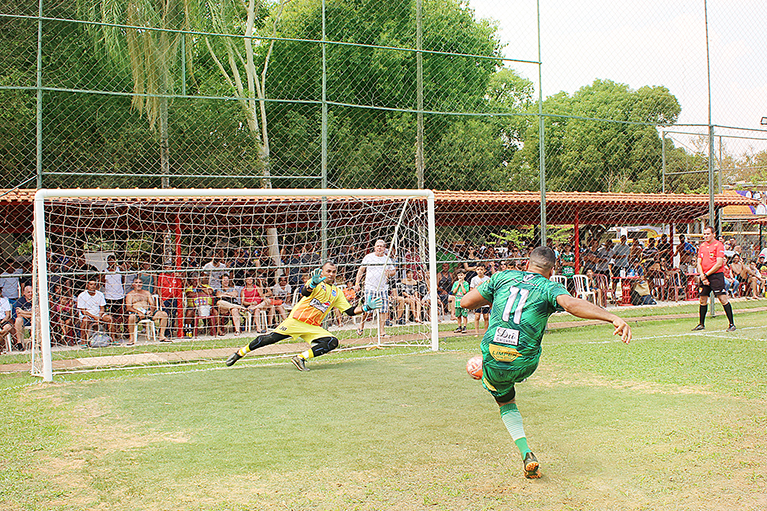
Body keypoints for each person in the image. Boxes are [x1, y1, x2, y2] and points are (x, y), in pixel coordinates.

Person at [460, 246, 631, 479]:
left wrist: (493, 295)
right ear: (553, 270)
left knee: (505, 400)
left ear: (526, 264)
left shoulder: (502, 277)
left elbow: (465, 302)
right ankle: (527, 455)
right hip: (525, 362)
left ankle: (525, 449)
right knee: (516, 360)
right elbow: (571, 305)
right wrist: (612, 317)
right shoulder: (549, 286)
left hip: (493, 357)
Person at [226, 261, 383, 371]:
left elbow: (349, 311)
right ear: (322, 272)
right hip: (296, 321)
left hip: (313, 327)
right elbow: (304, 292)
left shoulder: (337, 292)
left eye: (334, 272)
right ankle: (239, 353)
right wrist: (313, 284)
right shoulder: (315, 283)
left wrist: (366, 307)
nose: (331, 274)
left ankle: (300, 358)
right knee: (269, 339)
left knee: (332, 341)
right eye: (328, 271)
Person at [693, 225, 735, 331]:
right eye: (704, 234)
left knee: (722, 298)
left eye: (708, 234)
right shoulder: (702, 246)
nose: (706, 236)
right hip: (704, 276)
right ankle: (701, 324)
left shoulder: (718, 245)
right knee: (703, 299)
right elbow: (699, 262)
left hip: (716, 276)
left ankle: (731, 324)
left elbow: (719, 263)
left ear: (713, 234)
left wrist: (706, 275)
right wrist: (702, 275)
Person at [354, 239, 396, 337]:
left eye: (381, 246)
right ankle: (361, 325)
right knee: (367, 309)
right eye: (377, 246)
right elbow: (361, 270)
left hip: (383, 288)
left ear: (384, 248)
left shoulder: (387, 259)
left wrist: (389, 273)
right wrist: (357, 283)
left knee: (383, 310)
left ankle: (382, 332)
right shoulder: (368, 257)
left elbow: (393, 271)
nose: (379, 248)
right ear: (374, 248)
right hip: (370, 287)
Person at [125, 277, 169, 343]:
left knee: (164, 314)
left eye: (140, 282)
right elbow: (128, 307)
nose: (138, 284)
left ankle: (161, 335)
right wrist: (138, 312)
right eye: (136, 283)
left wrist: (151, 311)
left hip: (147, 312)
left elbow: (152, 304)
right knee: (131, 317)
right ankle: (131, 338)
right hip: (137, 313)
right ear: (133, 284)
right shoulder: (130, 295)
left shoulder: (146, 293)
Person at [77, 277, 115, 344]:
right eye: (91, 284)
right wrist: (94, 317)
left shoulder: (100, 294)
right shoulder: (82, 295)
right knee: (85, 321)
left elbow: (102, 308)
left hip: (98, 314)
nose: (93, 286)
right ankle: (84, 341)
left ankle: (113, 339)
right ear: (87, 285)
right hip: (88, 315)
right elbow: (83, 311)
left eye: (94, 284)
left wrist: (99, 316)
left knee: (109, 318)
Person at [470, 264, 490, 335]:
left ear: (484, 270)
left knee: (486, 316)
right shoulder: (474, 279)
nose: (480, 271)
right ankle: (476, 332)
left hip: (485, 299)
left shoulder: (487, 279)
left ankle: (485, 331)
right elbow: (471, 290)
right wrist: (478, 286)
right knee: (477, 316)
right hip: (477, 299)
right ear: (476, 270)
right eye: (478, 269)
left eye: (481, 269)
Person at [13, 285, 34, 350]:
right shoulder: (20, 301)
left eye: (31, 292)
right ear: (24, 293)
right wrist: (31, 313)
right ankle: (20, 343)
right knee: (18, 320)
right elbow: (18, 314)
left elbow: (38, 313)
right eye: (28, 292)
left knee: (38, 319)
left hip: (34, 319)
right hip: (24, 320)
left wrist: (23, 312)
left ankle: (37, 341)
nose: (30, 294)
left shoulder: (36, 300)